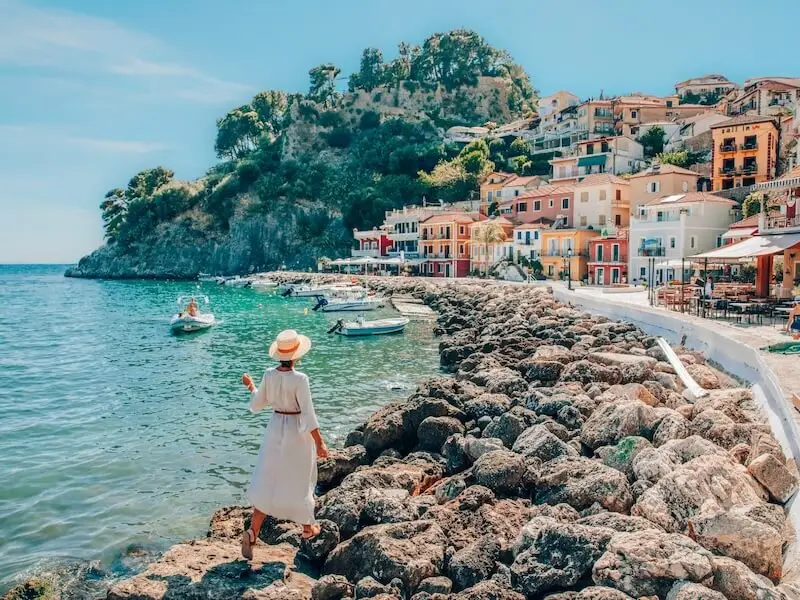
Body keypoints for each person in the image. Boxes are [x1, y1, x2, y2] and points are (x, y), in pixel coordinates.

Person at [240, 329, 328, 560]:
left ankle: (253, 532)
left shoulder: (270, 374)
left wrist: (250, 385)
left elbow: (260, 402)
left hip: (275, 428)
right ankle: (308, 529)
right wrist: (320, 443)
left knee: (268, 480)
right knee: (301, 477)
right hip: (296, 431)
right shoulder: (300, 379)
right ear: (297, 355)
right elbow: (308, 414)